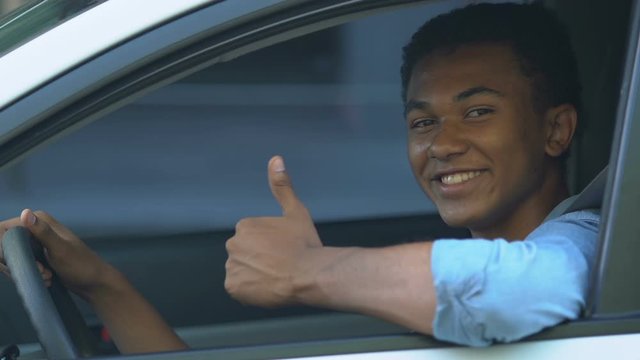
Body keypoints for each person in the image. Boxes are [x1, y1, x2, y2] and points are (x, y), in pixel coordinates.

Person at [0, 2, 599, 353]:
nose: (442, 143)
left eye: (477, 112)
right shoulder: (446, 281)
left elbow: (525, 288)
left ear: (556, 130)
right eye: (422, 121)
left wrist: (311, 271)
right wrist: (104, 285)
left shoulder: (591, 237)